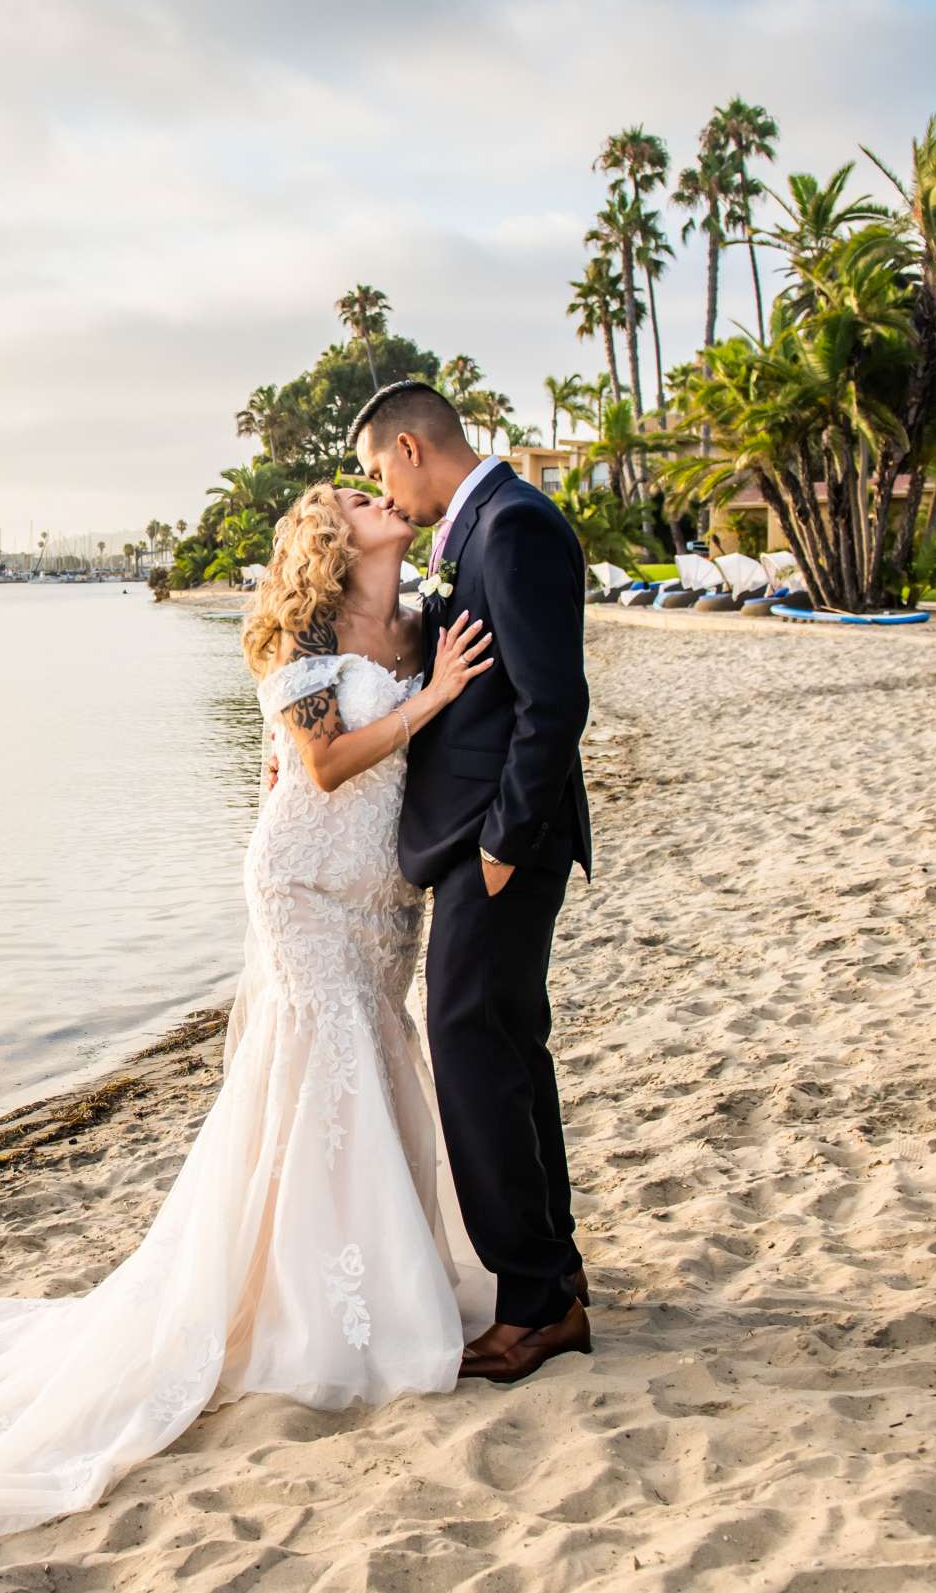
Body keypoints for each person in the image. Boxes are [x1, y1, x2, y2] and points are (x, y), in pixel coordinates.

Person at [0, 483, 496, 1535]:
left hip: (380, 899)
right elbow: (322, 763)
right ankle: (321, 1317)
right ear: (331, 537)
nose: (378, 495)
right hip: (303, 889)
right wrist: (427, 700)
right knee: (317, 1080)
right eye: (353, 494)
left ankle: (379, 1285)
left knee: (374, 1069)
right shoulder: (305, 630)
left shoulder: (422, 620)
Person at [349, 380, 595, 1387]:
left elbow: (553, 704)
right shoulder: (483, 524)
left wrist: (502, 841)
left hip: (506, 845)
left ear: (409, 447)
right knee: (506, 1042)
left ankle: (536, 1300)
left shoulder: (514, 526)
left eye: (374, 471)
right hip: (489, 840)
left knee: (466, 1045)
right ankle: (555, 1271)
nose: (379, 490)